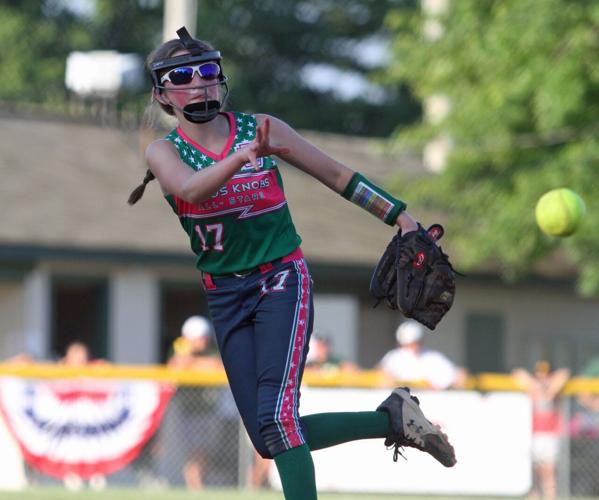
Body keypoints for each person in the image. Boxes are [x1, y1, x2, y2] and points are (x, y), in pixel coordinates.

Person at [128, 26, 456, 499]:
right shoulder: (164, 151)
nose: (199, 82)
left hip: (281, 279)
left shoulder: (261, 127)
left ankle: (391, 420)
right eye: (183, 75)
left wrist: (401, 217)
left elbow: (337, 174)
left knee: (279, 421)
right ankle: (392, 419)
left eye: (207, 71)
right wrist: (245, 157)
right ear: (163, 94)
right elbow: (192, 189)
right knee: (268, 438)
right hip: (225, 292)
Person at [168, 315, 236, 489]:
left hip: (211, 409)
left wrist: (193, 363)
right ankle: (196, 488)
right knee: (196, 451)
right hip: (190, 411)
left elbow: (218, 366)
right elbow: (174, 367)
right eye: (200, 337)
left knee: (206, 452)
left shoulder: (212, 350)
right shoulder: (180, 351)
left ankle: (198, 486)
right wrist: (187, 358)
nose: (204, 340)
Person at [512, 361, 570, 499]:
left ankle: (550, 496)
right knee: (534, 472)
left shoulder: (553, 389)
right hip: (533, 434)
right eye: (539, 375)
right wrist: (535, 386)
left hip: (550, 435)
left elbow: (564, 373)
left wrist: (547, 387)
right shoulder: (534, 388)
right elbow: (517, 372)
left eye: (545, 375)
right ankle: (535, 496)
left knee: (548, 471)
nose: (542, 378)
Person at [379, 320, 465, 390]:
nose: (411, 348)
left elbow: (459, 375)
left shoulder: (433, 358)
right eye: (407, 344)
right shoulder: (393, 357)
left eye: (414, 343)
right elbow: (380, 375)